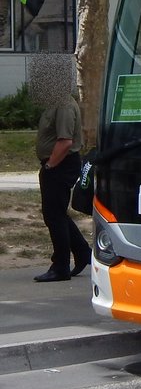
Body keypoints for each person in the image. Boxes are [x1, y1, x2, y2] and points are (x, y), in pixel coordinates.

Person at [29, 54, 90, 282]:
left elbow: (64, 141)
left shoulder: (63, 104)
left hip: (61, 165)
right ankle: (83, 253)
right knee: (55, 214)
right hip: (56, 164)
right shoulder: (54, 102)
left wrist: (51, 165)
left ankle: (60, 267)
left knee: (53, 215)